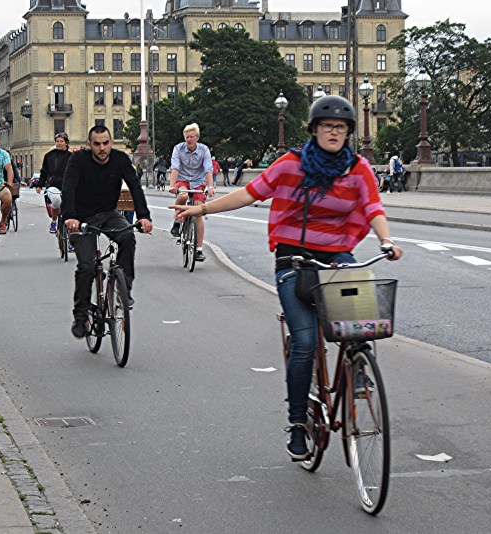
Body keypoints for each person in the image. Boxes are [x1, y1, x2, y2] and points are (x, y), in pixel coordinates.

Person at [171, 95, 403, 461]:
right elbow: (249, 193)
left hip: (336, 256)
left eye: (341, 128)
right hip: (293, 258)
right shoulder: (292, 164)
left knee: (361, 322)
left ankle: (357, 369)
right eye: (327, 126)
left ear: (348, 133)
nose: (334, 132)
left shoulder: (357, 169)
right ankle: (297, 423)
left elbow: (373, 207)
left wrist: (386, 239)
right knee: (306, 341)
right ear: (314, 130)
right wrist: (198, 208)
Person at [62, 125, 153, 339]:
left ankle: (124, 289)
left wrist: (144, 216)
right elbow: (68, 189)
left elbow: (135, 187)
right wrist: (70, 217)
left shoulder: (120, 160)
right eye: (97, 144)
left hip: (108, 213)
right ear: (89, 145)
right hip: (82, 218)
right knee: (87, 266)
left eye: (106, 143)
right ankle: (81, 316)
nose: (102, 148)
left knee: (128, 237)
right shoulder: (78, 161)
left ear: (111, 143)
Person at [168, 123, 214, 262]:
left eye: (192, 137)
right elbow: (175, 168)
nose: (189, 139)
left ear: (197, 138)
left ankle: (199, 250)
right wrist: (172, 186)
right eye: (186, 137)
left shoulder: (204, 150)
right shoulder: (178, 148)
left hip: (198, 182)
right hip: (182, 180)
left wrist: (210, 187)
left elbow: (208, 169)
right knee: (183, 195)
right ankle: (177, 221)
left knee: (198, 212)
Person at [36, 132, 72, 233]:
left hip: (68, 186)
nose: (59, 143)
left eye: (61, 141)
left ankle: (72, 236)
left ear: (66, 143)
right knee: (56, 200)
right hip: (53, 185)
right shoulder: (49, 156)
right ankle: (54, 222)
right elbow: (44, 171)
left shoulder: (72, 156)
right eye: (57, 141)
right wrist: (39, 185)